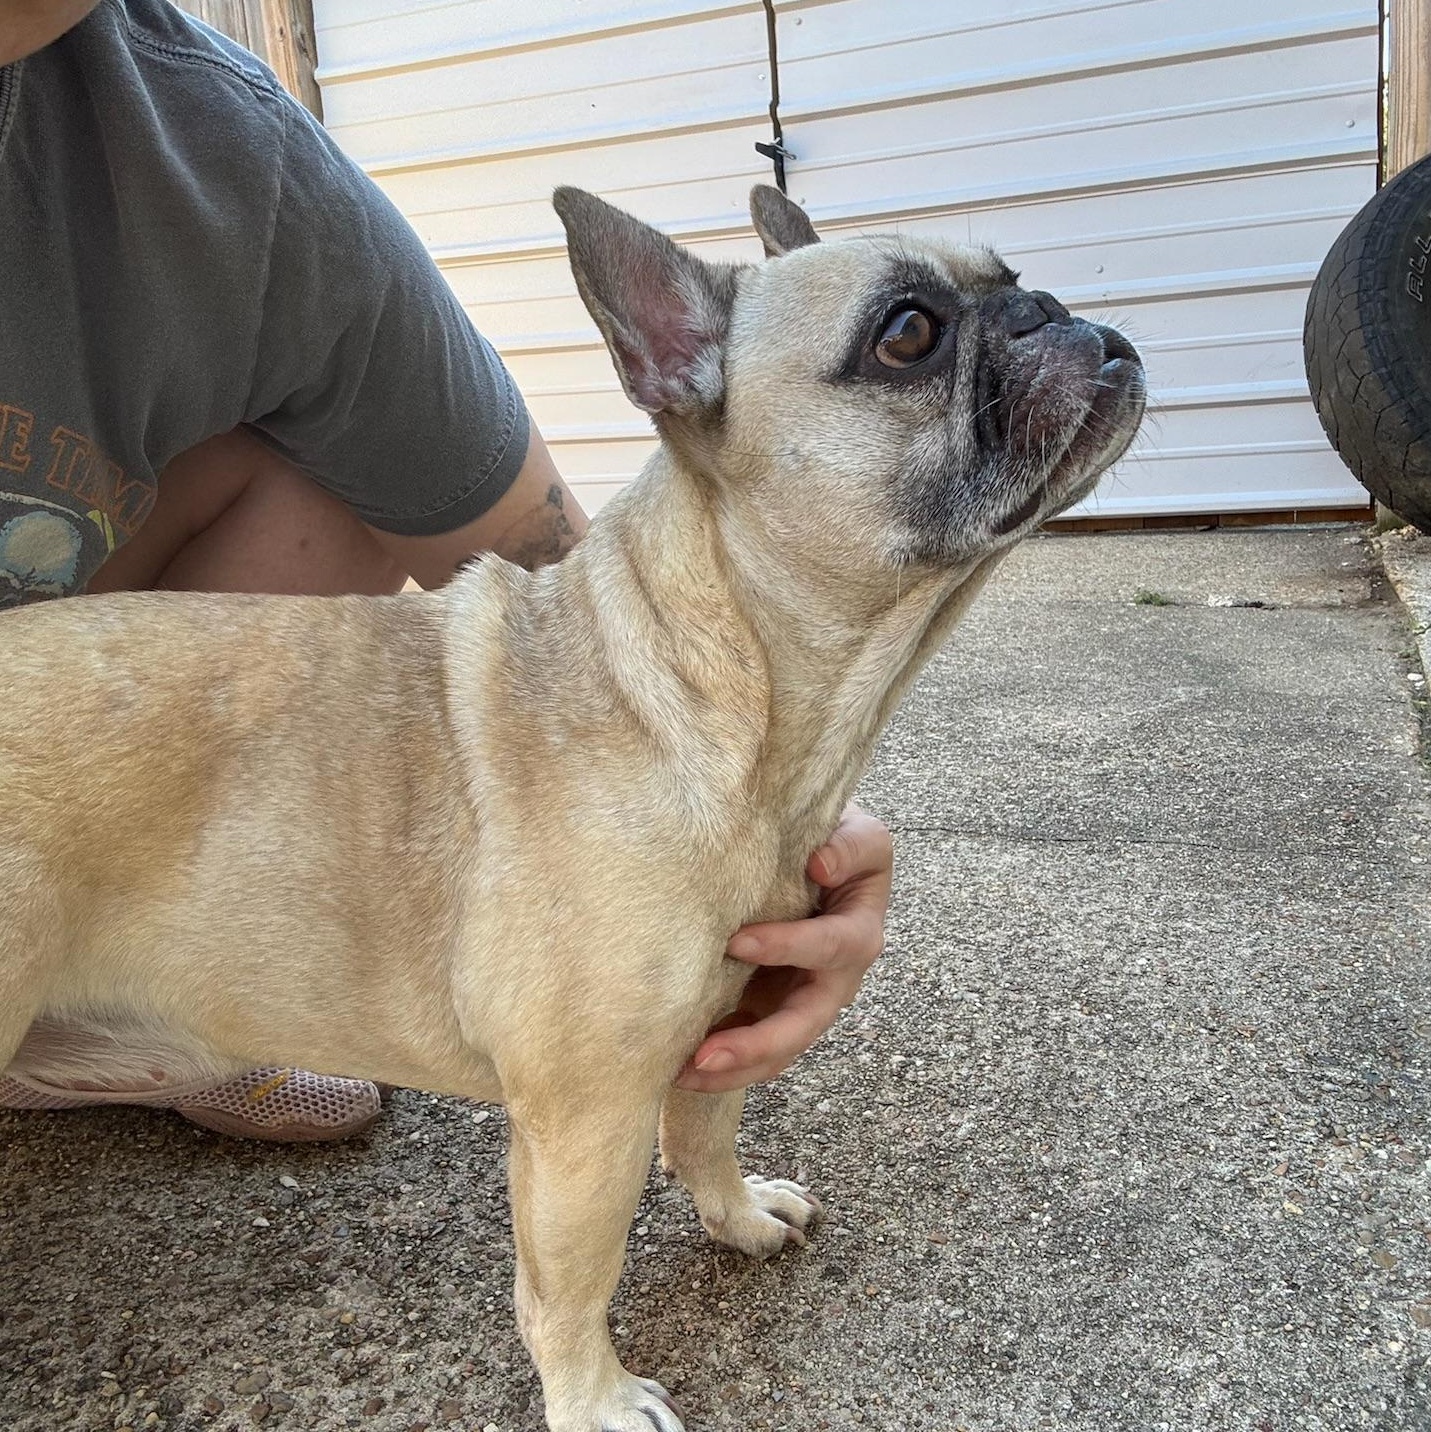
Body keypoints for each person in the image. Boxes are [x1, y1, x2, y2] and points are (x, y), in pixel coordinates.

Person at [0, 0, 892, 1141]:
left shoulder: (232, 164)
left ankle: (125, 992)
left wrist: (779, 798)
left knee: (349, 474)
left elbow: (547, 568)